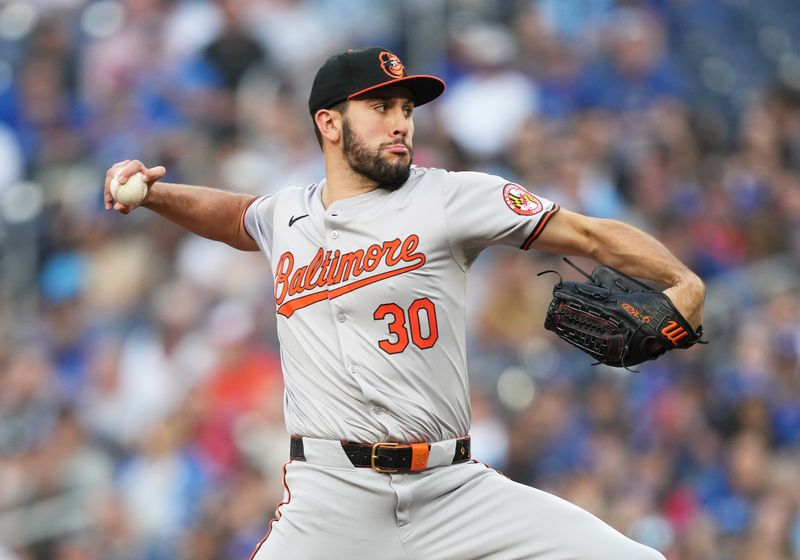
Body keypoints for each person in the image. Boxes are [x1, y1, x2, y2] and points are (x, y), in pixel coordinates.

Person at [104, 46, 704, 560]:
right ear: (330, 124)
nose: (401, 124)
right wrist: (155, 194)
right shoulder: (285, 216)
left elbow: (589, 235)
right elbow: (236, 215)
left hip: (454, 489)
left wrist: (683, 280)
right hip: (332, 497)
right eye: (381, 107)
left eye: (406, 109)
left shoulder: (451, 197)